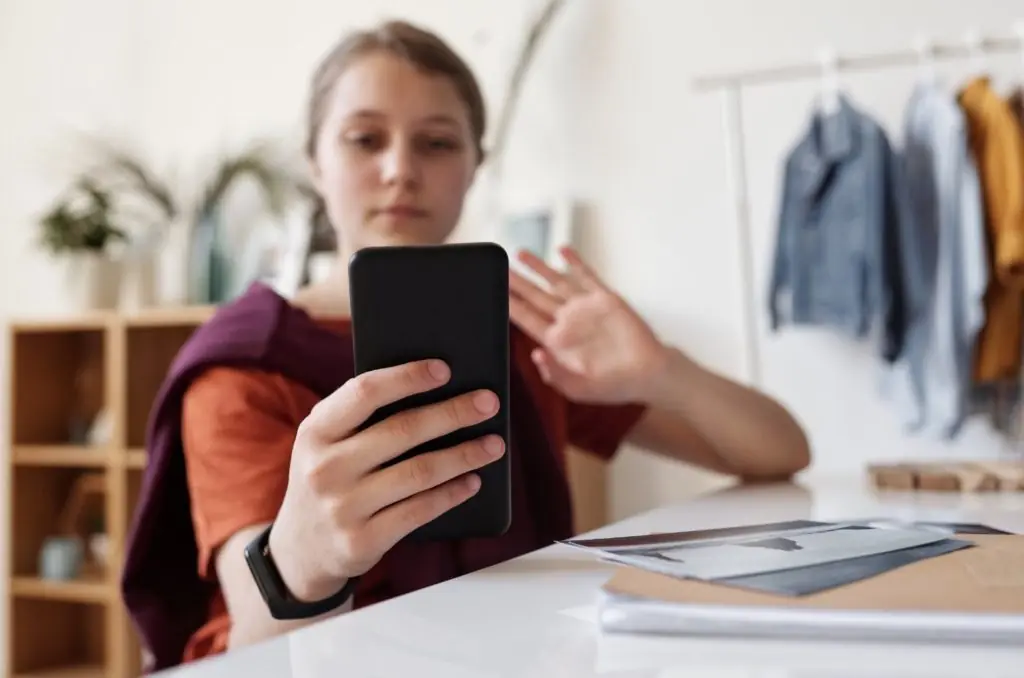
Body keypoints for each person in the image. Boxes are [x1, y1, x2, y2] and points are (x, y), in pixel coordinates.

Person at [121, 19, 811, 671]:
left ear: (475, 164)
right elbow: (257, 635)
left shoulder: (529, 338)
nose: (400, 169)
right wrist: (302, 557)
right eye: (365, 139)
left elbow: (781, 453)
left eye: (437, 142)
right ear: (314, 163)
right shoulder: (245, 366)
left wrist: (664, 372)